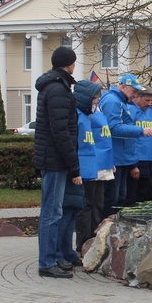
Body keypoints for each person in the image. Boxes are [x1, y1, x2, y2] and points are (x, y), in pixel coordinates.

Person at [34, 46, 82, 278]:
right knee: (52, 212)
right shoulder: (58, 90)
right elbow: (61, 131)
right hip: (54, 160)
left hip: (52, 158)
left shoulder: (54, 86)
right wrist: (73, 165)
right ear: (70, 63)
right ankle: (47, 262)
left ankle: (53, 258)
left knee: (53, 210)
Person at [98, 74, 149, 216]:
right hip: (115, 157)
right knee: (112, 199)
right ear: (123, 86)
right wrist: (140, 130)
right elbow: (113, 128)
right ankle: (103, 230)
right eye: (133, 91)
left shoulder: (120, 102)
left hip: (122, 157)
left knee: (120, 197)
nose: (135, 95)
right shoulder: (112, 101)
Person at [73, 79, 108, 256]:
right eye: (95, 98)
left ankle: (93, 242)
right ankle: (83, 245)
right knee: (85, 208)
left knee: (97, 205)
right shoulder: (78, 116)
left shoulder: (89, 115)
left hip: (95, 166)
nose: (96, 101)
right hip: (84, 171)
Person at [124, 85, 152, 205]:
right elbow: (129, 138)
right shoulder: (129, 111)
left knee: (146, 192)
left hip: (149, 159)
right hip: (136, 158)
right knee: (133, 193)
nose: (149, 103)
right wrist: (133, 165)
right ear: (137, 97)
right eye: (147, 100)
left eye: (151, 100)